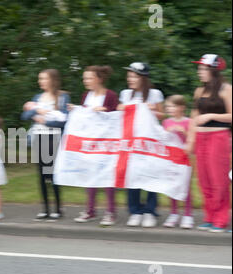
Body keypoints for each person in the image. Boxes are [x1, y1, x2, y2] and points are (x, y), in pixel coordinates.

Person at [187, 54, 232, 233]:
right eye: (199, 68)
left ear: (213, 70)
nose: (200, 72)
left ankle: (221, 220)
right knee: (204, 179)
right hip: (201, 138)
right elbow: (193, 117)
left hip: (218, 137)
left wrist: (211, 116)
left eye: (203, 69)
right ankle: (210, 217)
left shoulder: (226, 89)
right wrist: (190, 140)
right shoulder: (199, 91)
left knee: (218, 180)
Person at [117, 62, 165, 228]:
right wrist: (125, 107)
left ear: (143, 78)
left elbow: (161, 115)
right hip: (131, 141)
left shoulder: (154, 93)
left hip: (149, 142)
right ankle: (135, 210)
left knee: (151, 175)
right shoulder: (125, 94)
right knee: (133, 175)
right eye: (129, 75)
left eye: (134, 76)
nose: (130, 79)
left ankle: (150, 211)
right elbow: (119, 110)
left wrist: (151, 109)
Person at [72, 65, 119, 226]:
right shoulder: (86, 95)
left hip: (106, 142)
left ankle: (110, 212)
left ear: (99, 79)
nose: (86, 81)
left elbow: (116, 117)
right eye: (85, 78)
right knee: (90, 176)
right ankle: (90, 210)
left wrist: (105, 110)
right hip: (89, 141)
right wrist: (76, 110)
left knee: (107, 177)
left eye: (89, 78)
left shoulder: (110, 95)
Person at [21, 69, 70, 221]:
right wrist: (36, 109)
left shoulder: (62, 97)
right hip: (39, 138)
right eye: (39, 78)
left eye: (43, 78)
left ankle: (57, 208)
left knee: (53, 174)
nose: (40, 81)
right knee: (42, 175)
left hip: (53, 138)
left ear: (52, 80)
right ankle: (45, 208)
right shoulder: (38, 97)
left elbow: (64, 120)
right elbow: (25, 115)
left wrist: (45, 120)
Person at [161, 95, 193, 229]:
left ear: (181, 107)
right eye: (168, 107)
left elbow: (191, 139)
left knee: (185, 185)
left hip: (184, 158)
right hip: (171, 158)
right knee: (172, 185)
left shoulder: (188, 122)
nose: (170, 109)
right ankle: (173, 213)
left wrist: (183, 132)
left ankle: (187, 215)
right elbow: (163, 140)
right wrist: (166, 133)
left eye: (173, 106)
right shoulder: (166, 122)